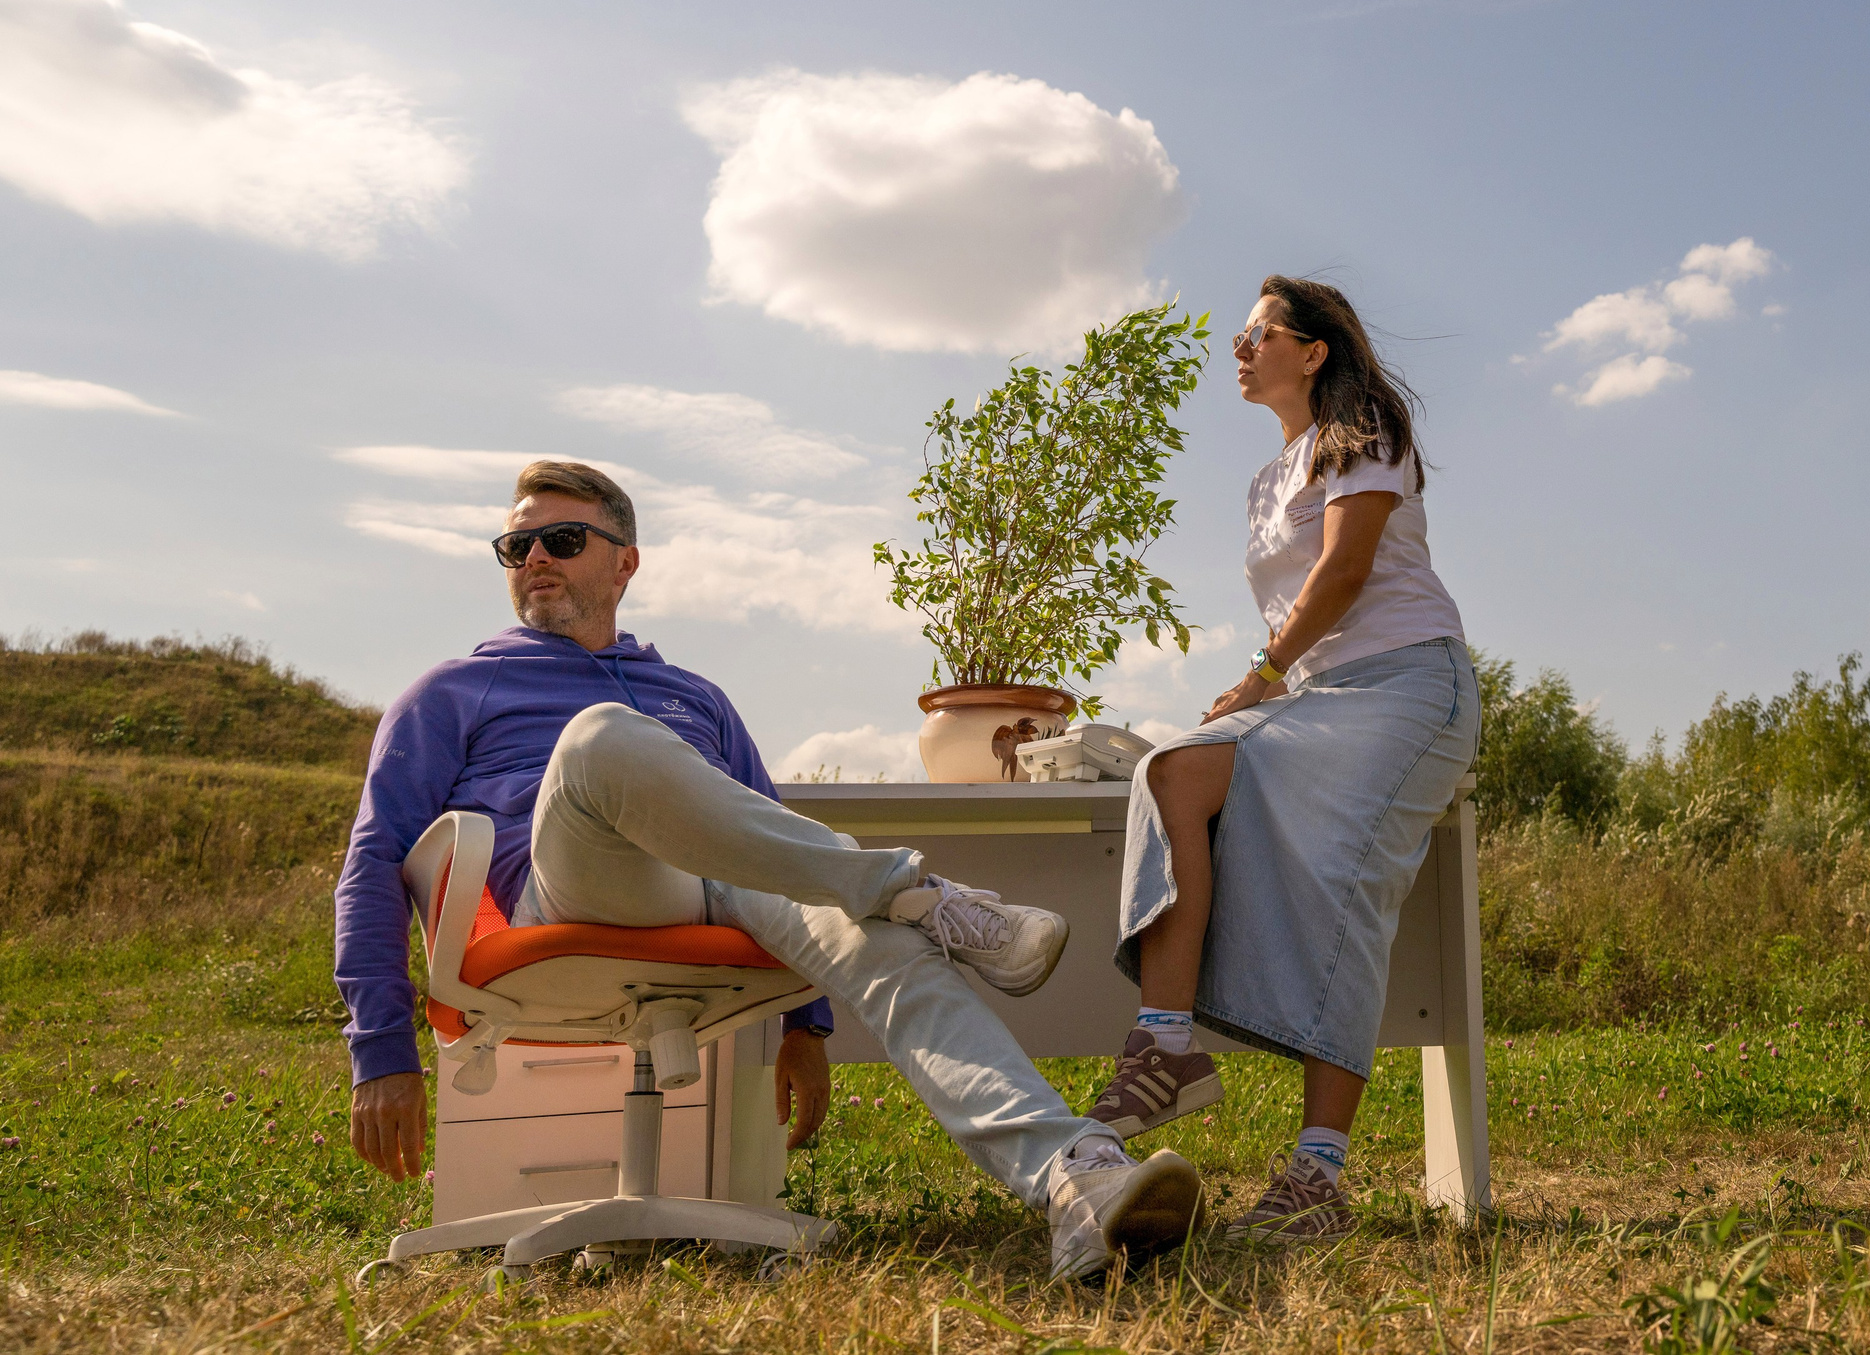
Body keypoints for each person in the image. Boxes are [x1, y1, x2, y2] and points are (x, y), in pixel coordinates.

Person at [333, 459, 1202, 1281]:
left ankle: (1072, 1176)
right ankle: (915, 888)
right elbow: (374, 855)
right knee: (602, 735)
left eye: (561, 540)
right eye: (515, 545)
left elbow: (774, 834)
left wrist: (807, 1026)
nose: (533, 559)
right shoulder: (454, 689)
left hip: (718, 892)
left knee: (885, 939)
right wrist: (381, 1049)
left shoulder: (697, 696)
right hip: (573, 888)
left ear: (624, 563)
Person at [1090, 278, 1480, 1242]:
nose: (1238, 346)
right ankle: (1165, 1047)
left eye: (1258, 332)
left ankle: (1318, 1177)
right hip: (1318, 700)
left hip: (1407, 690)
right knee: (1171, 770)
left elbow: (1343, 572)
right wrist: (1271, 682)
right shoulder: (1268, 480)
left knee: (1339, 887)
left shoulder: (1366, 427)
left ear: (1311, 352)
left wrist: (1261, 674)